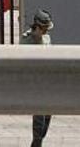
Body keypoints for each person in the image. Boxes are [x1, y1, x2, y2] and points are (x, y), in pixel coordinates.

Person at [21, 9, 54, 147]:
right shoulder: (27, 39)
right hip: (36, 84)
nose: (46, 32)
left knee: (47, 119)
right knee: (39, 124)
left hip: (47, 82)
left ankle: (38, 142)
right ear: (38, 27)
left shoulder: (47, 38)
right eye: (44, 29)